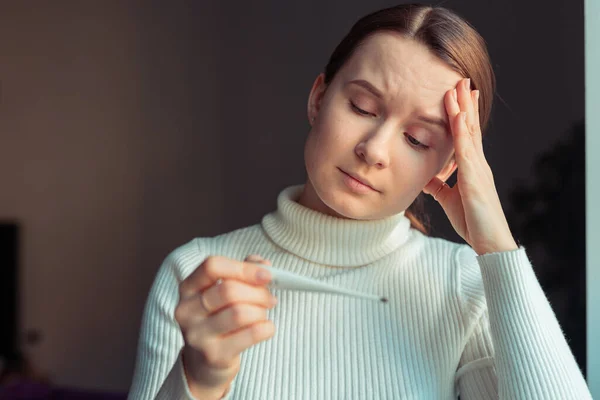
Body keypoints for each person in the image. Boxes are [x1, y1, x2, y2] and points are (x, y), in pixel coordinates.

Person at [127, 4, 592, 399]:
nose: (374, 149)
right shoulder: (197, 275)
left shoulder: (465, 287)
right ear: (318, 98)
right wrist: (200, 381)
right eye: (363, 108)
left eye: (416, 138)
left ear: (448, 166)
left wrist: (497, 250)